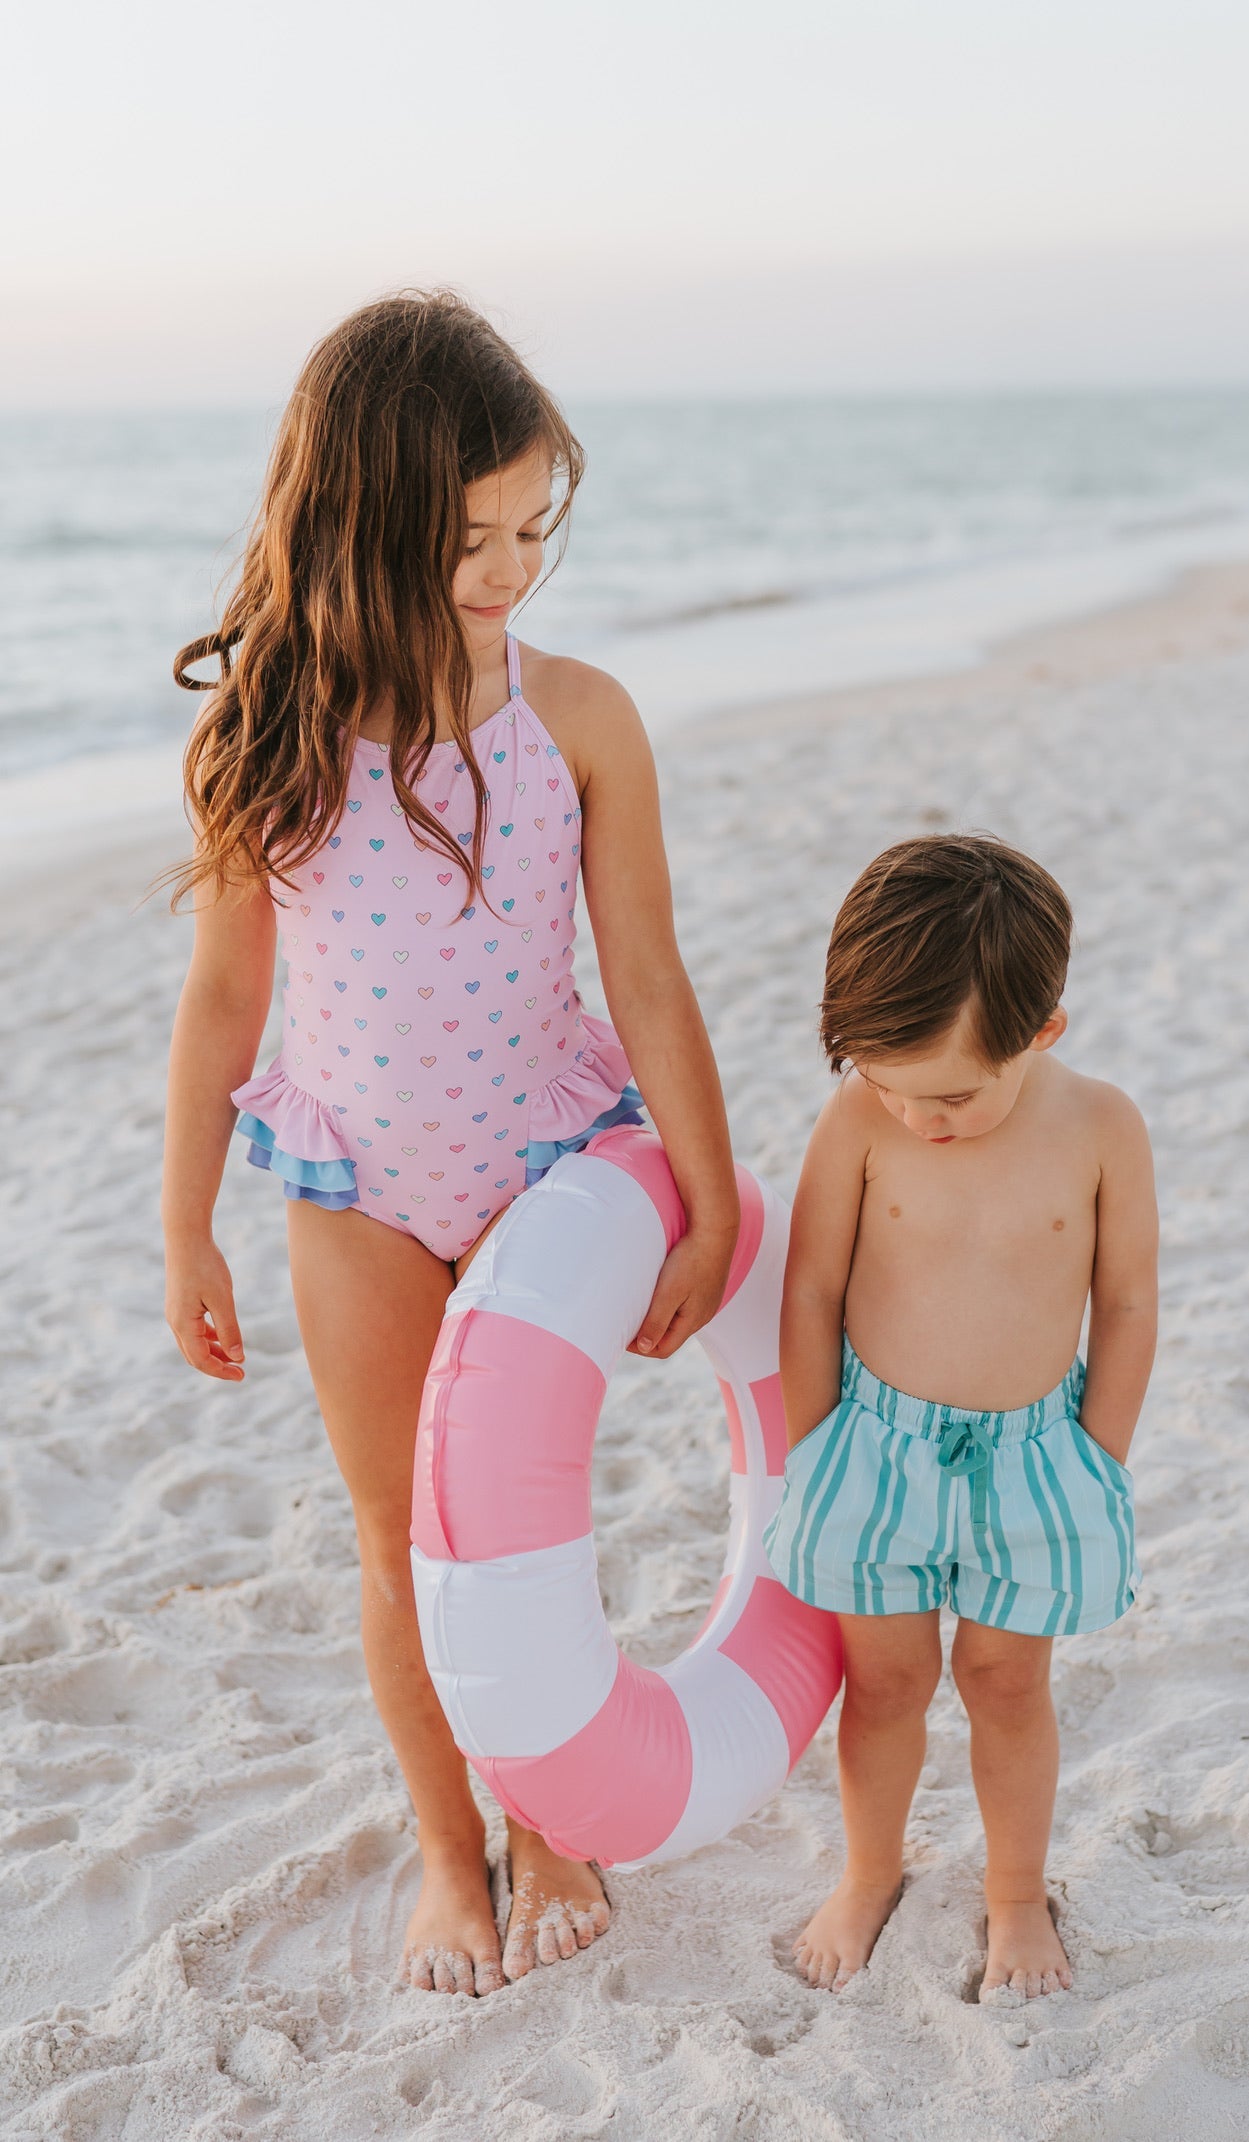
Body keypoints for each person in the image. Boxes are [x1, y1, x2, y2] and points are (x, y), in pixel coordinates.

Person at [160, 293, 740, 1997]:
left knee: (513, 1528)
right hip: (355, 1189)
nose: (509, 569)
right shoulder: (270, 740)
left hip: (537, 1171)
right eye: (470, 537)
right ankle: (444, 1840)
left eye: (531, 529)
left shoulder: (579, 719)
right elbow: (222, 1002)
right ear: (362, 520)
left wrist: (709, 1200)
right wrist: (185, 1225)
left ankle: (545, 1821)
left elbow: (646, 974)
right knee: (394, 1535)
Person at [765, 834, 1156, 2000]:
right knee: (885, 1683)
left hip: (1036, 1458)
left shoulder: (1102, 1128)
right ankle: (869, 1870)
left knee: (1005, 1681)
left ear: (1044, 1033)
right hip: (873, 1449)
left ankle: (1015, 1893)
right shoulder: (860, 1121)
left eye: (948, 1096)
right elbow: (810, 1289)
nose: (915, 1116)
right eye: (886, 1081)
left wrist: (1098, 1460)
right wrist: (813, 1447)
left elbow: (1127, 1302)